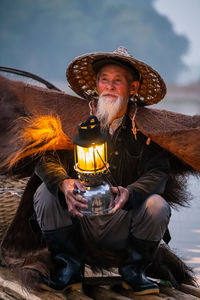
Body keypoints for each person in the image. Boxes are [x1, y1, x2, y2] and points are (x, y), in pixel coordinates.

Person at [32, 46, 172, 295]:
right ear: (96, 85)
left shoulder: (147, 127)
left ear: (134, 88)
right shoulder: (74, 118)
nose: (109, 86)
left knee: (157, 206)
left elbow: (158, 173)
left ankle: (134, 273)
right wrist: (64, 184)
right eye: (104, 80)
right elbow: (46, 160)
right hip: (79, 217)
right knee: (45, 192)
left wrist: (130, 193)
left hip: (121, 221)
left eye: (118, 81)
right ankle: (69, 268)